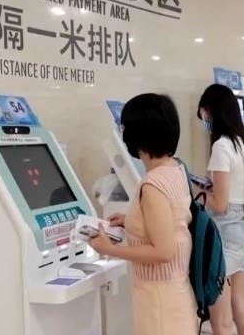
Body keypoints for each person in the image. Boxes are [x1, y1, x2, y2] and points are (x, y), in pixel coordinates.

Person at [88, 93, 198, 335]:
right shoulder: (175, 169)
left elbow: (163, 251)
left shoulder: (152, 185)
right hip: (173, 295)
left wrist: (110, 249)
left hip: (160, 304)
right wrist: (130, 222)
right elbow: (171, 223)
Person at [197, 84, 244, 335]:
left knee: (221, 319)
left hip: (223, 234)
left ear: (211, 111)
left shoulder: (221, 147)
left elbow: (220, 205)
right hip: (242, 229)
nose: (204, 121)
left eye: (203, 114)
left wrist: (198, 192)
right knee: (241, 306)